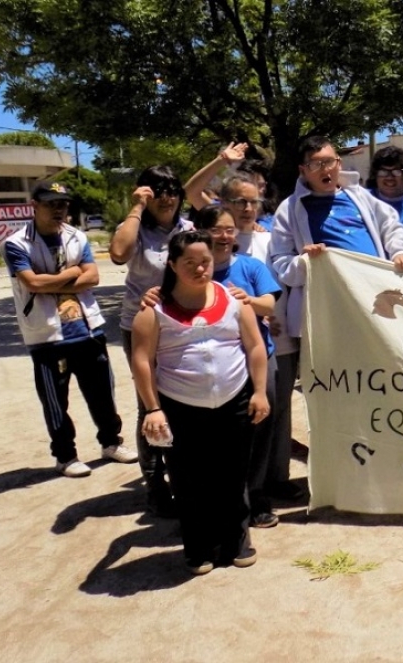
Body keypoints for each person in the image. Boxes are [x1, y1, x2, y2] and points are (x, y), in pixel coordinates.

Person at [130, 230, 270, 575]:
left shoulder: (235, 300)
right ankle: (198, 547)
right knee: (189, 480)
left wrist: (259, 391)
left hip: (234, 400)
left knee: (234, 475)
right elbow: (142, 361)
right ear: (173, 265)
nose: (199, 268)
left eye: (205, 261)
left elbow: (254, 347)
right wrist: (153, 408)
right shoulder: (154, 310)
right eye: (189, 262)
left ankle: (236, 541)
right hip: (180, 406)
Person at [0, 181, 136, 477]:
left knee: (103, 393)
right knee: (55, 401)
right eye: (51, 204)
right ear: (33, 205)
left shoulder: (76, 237)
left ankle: (111, 443)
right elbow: (32, 283)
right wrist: (74, 272)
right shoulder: (16, 243)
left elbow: (92, 278)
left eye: (62, 204)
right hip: (47, 336)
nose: (58, 210)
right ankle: (65, 455)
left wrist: (58, 278)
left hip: (87, 330)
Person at [269, 135, 403, 346]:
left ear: (339, 163)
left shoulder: (361, 197)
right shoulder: (289, 209)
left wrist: (400, 251)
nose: (325, 169)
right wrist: (304, 262)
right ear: (303, 170)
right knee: (336, 376)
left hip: (371, 298)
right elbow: (281, 262)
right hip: (327, 310)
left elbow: (392, 228)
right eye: (316, 164)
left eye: (329, 162)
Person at [109, 166, 192, 514]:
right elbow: (117, 253)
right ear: (145, 192)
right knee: (151, 405)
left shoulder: (188, 228)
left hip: (182, 324)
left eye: (172, 188)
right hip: (141, 326)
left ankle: (185, 477)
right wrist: (137, 207)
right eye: (158, 189)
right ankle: (156, 487)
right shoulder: (136, 228)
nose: (167, 196)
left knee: (185, 400)